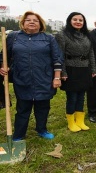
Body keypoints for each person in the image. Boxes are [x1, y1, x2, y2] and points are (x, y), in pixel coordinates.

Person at [0, 11, 63, 140]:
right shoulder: (14, 37)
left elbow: (57, 59)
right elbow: (4, 56)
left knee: (43, 106)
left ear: (40, 24)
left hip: (44, 78)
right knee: (23, 108)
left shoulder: (48, 38)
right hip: (22, 78)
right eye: (28, 20)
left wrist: (57, 77)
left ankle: (42, 129)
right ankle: (18, 134)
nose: (32, 22)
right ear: (23, 23)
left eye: (35, 20)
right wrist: (3, 66)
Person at [56, 12, 96, 132]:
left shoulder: (86, 35)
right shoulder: (62, 35)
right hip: (70, 69)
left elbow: (91, 53)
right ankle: (71, 122)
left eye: (81, 20)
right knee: (72, 97)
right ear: (69, 21)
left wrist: (93, 69)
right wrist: (63, 72)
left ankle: (80, 121)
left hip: (84, 69)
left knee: (81, 97)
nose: (78, 22)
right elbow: (59, 55)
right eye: (75, 19)